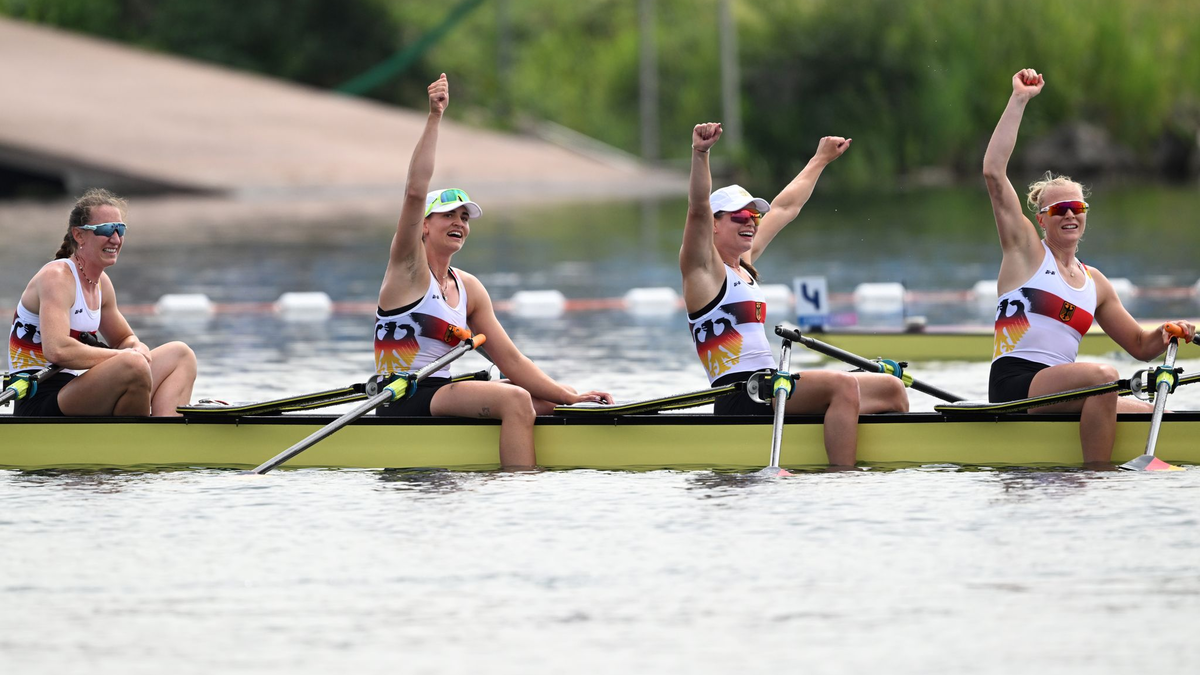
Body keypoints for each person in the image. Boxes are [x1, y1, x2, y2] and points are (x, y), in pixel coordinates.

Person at [375, 74, 612, 469]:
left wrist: (569, 397)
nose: (459, 222)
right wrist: (435, 116)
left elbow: (512, 361)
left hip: (441, 393)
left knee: (551, 397)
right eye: (448, 215)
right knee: (516, 399)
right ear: (424, 226)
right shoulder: (407, 270)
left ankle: (508, 458)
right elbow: (415, 190)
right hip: (401, 397)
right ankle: (515, 487)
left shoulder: (469, 287)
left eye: (465, 217)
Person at [982, 68, 1195, 465]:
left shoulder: (1095, 282)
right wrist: (1019, 99)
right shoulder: (1025, 252)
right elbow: (994, 172)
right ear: (1041, 219)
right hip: (1016, 386)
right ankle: (1096, 476)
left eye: (1076, 207)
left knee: (1152, 415)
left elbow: (1140, 346)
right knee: (1103, 377)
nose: (1069, 215)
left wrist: (1167, 332)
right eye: (1059, 209)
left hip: (1064, 390)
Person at [681, 122, 909, 467]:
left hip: (770, 386)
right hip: (741, 395)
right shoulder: (702, 270)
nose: (751, 223)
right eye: (740, 216)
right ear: (713, 224)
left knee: (891, 388)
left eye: (755, 217)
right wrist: (701, 153)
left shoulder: (744, 264)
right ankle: (844, 477)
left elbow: (785, 207)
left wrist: (820, 159)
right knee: (842, 386)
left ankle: (889, 455)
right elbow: (698, 207)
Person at [7, 189, 197, 417]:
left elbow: (123, 339)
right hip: (39, 398)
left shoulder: (101, 284)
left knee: (181, 355)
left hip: (76, 389)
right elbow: (57, 350)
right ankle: (137, 435)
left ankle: (167, 431)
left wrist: (137, 348)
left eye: (120, 229)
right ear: (79, 235)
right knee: (133, 366)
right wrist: (126, 357)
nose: (115, 239)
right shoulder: (56, 277)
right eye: (106, 230)